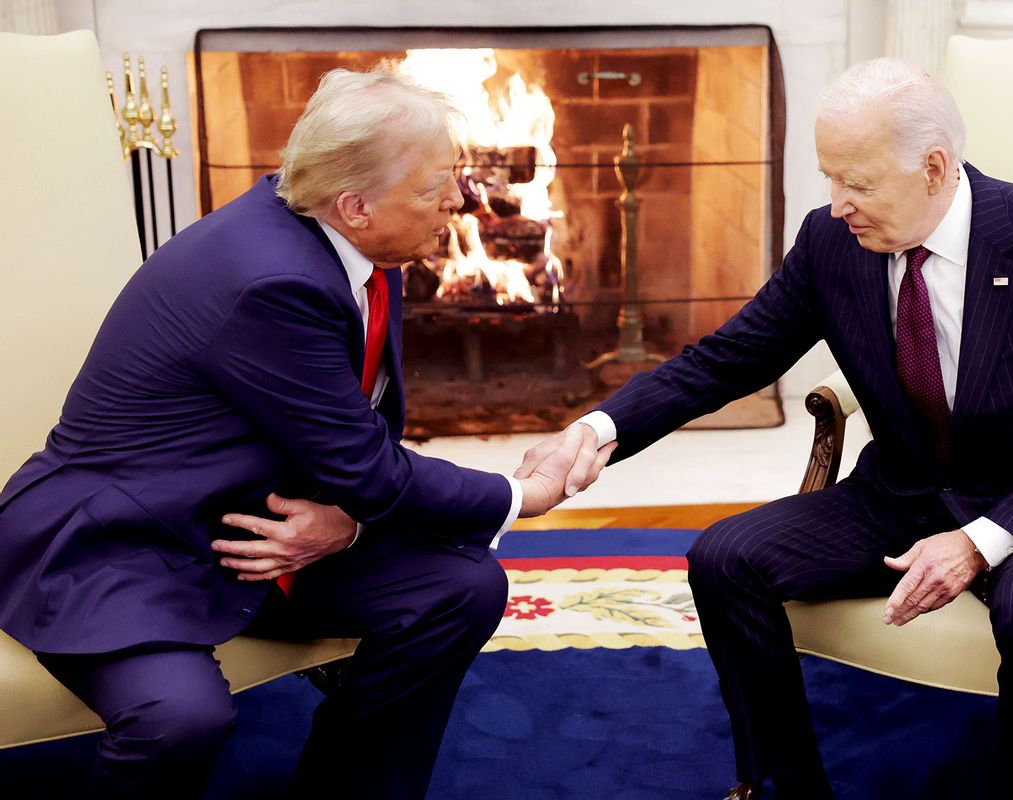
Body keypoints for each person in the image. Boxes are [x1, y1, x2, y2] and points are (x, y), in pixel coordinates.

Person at [519, 58, 1013, 798]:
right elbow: (728, 358)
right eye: (830, 178)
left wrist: (978, 543)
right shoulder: (831, 243)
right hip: (902, 492)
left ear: (933, 168)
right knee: (725, 559)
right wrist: (598, 429)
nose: (837, 203)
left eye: (858, 182)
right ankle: (786, 785)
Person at [0, 66, 611, 799]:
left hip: (250, 519)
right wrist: (523, 493)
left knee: (460, 586)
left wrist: (347, 523)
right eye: (435, 186)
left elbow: (348, 448)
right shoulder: (272, 279)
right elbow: (370, 467)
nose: (459, 199)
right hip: (129, 545)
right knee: (180, 719)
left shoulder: (338, 232)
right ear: (355, 204)